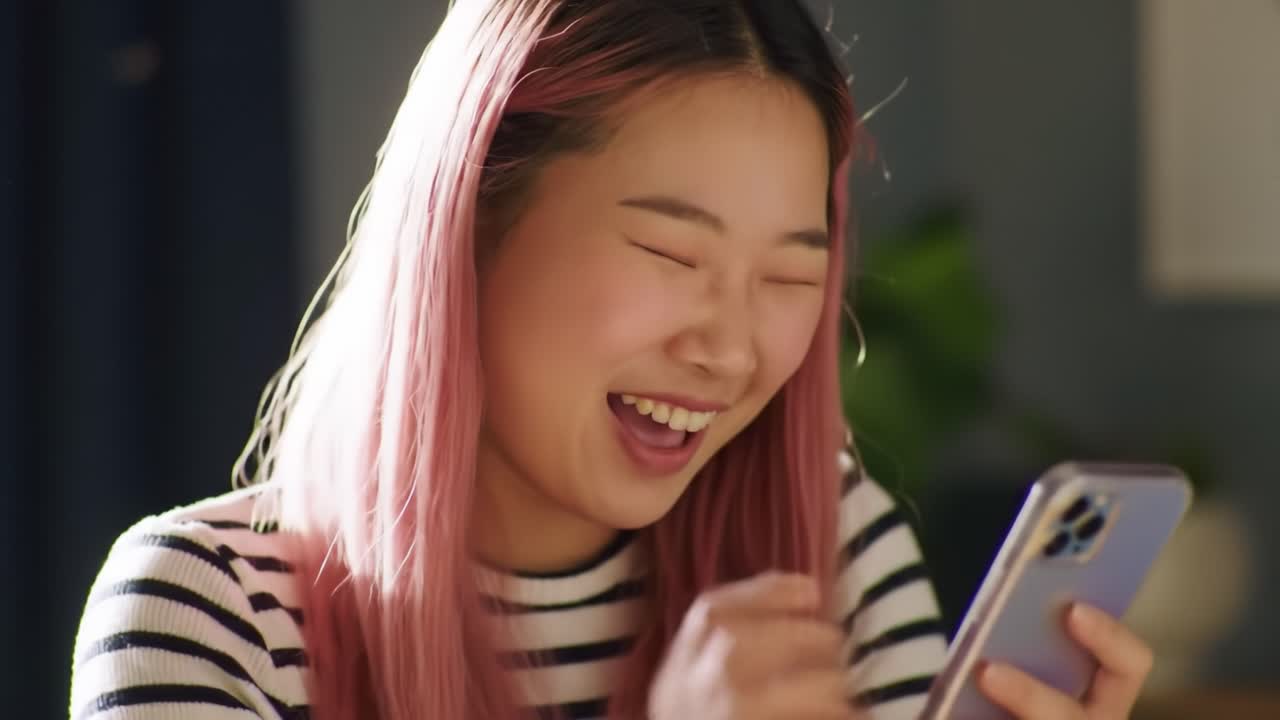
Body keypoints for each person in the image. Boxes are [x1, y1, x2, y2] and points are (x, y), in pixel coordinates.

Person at [69, 1, 1155, 719]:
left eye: (788, 275)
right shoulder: (205, 614)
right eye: (668, 253)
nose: (729, 349)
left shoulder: (827, 546)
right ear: (467, 227)